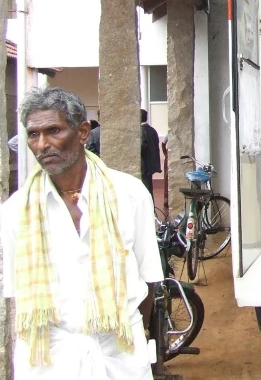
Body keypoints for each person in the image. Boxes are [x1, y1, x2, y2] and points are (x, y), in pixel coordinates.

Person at [1, 87, 163, 380]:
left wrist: (135, 329)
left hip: (120, 350)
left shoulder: (129, 195)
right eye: (33, 134)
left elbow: (148, 277)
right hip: (48, 358)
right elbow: (17, 296)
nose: (42, 144)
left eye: (53, 130)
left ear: (83, 132)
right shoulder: (15, 212)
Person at [140, 109, 161, 196]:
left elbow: (142, 147)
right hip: (151, 164)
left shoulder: (141, 131)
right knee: (149, 187)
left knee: (145, 188)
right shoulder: (153, 130)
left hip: (144, 164)